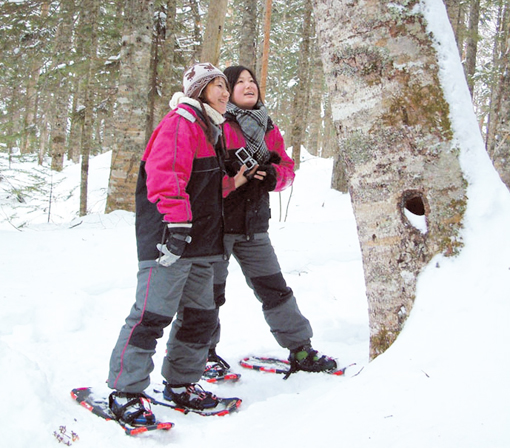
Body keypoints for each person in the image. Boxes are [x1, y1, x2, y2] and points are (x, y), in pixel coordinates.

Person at [106, 63, 248, 426]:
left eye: (222, 85)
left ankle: (182, 383)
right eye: (217, 85)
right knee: (151, 316)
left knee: (200, 316)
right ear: (199, 90)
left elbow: (203, 188)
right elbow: (165, 177)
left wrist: (235, 183)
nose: (223, 91)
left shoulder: (208, 129)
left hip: (202, 244)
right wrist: (178, 226)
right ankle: (125, 390)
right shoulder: (180, 123)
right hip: (170, 240)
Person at [205, 65, 337, 379]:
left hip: (253, 228)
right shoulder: (214, 124)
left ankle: (300, 349)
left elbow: (287, 169)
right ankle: (203, 353)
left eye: (253, 81)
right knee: (208, 295)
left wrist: (275, 176)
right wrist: (232, 175)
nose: (249, 86)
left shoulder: (268, 127)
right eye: (240, 82)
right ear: (227, 90)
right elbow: (201, 174)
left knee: (275, 290)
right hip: (216, 228)